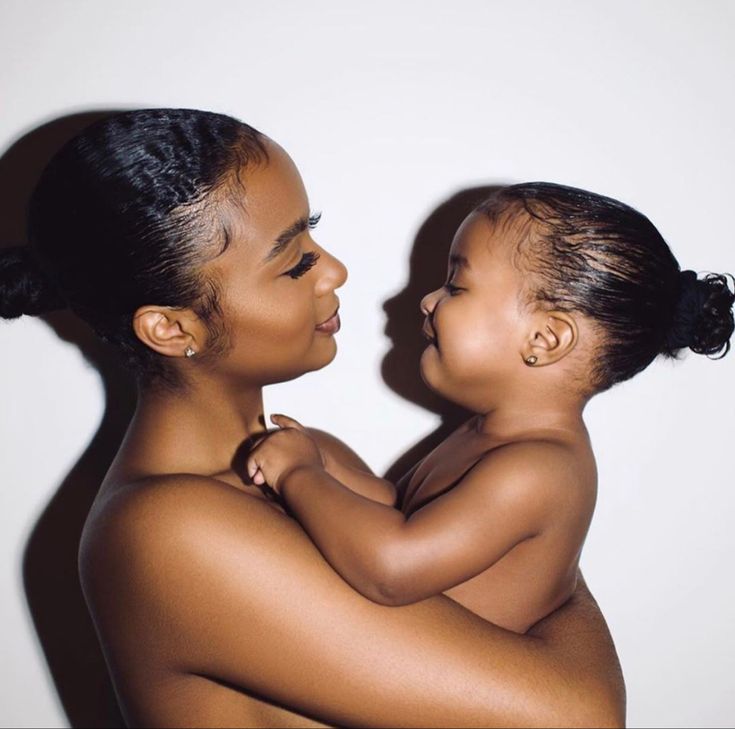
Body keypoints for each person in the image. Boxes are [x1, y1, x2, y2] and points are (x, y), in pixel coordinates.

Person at [0, 109, 625, 727]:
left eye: (313, 234)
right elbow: (582, 718)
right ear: (171, 328)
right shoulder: (168, 531)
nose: (334, 271)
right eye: (294, 260)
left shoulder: (308, 461)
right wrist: (550, 530)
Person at [245, 182, 735, 635]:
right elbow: (398, 513)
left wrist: (301, 476)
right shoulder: (492, 436)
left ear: (545, 338)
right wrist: (325, 460)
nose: (427, 301)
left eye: (456, 287)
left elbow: (393, 569)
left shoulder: (537, 470)